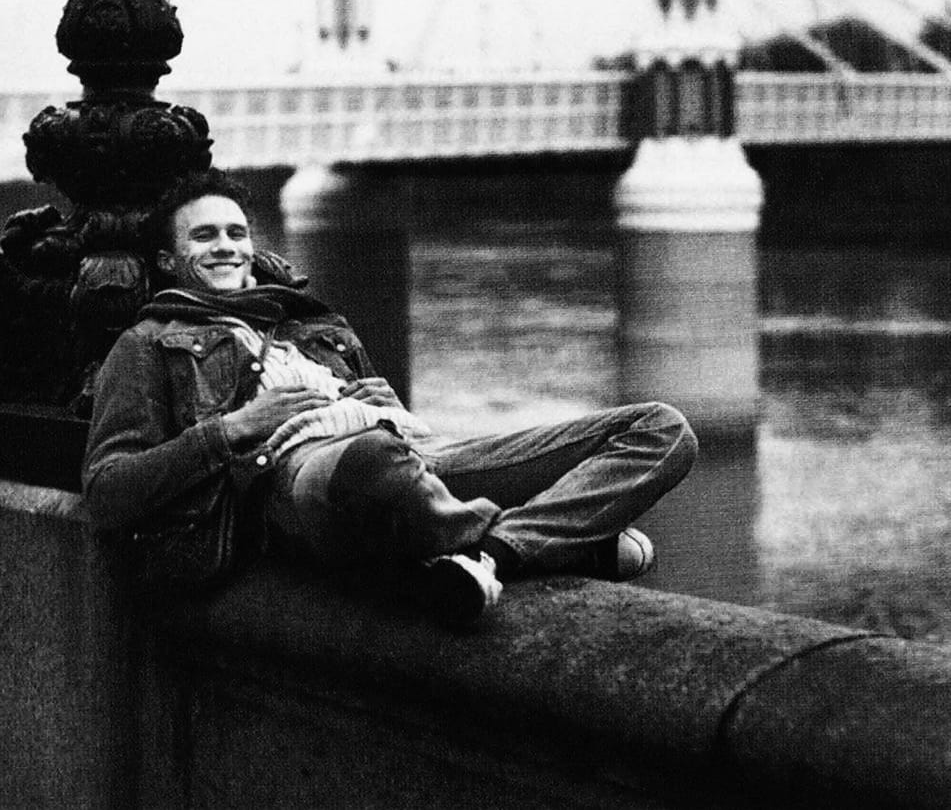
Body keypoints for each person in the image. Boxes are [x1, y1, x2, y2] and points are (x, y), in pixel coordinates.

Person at [82, 169, 698, 628]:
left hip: (409, 457)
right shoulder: (146, 344)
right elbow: (108, 492)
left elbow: (400, 440)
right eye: (204, 236)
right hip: (294, 481)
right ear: (169, 260)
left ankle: (493, 556)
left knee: (659, 428)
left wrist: (393, 407)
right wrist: (236, 427)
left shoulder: (315, 324)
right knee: (375, 459)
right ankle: (559, 545)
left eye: (236, 233)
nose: (226, 246)